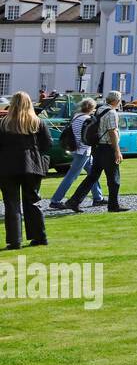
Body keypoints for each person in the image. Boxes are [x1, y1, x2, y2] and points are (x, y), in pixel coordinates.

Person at [0, 92, 52, 249]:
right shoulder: (37, 123)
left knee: (11, 204)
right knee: (33, 201)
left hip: (7, 167)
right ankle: (39, 236)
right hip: (32, 165)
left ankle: (15, 241)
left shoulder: (4, 124)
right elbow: (47, 144)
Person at [64, 90, 127, 214]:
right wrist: (117, 150)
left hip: (97, 147)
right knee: (114, 178)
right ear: (115, 101)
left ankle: (74, 201)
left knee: (92, 177)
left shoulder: (100, 109)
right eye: (119, 100)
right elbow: (112, 132)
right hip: (107, 148)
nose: (120, 102)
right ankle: (113, 205)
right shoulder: (112, 112)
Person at [48, 98, 106, 210]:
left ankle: (98, 198)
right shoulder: (88, 119)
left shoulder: (76, 116)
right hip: (83, 151)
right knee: (72, 176)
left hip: (77, 149)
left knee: (92, 174)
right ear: (91, 108)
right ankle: (55, 200)